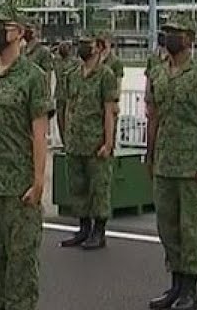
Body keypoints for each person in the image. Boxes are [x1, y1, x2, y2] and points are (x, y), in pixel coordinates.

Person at [0, 7, 52, 310]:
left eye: (0, 26)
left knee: (20, 266)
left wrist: (38, 181)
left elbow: (40, 133)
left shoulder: (33, 77)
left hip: (19, 189)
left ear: (19, 32)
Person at [145, 16, 197, 310]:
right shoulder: (158, 73)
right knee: (167, 227)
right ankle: (175, 285)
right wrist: (149, 154)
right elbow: (154, 117)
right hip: (165, 163)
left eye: (175, 33)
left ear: (189, 38)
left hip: (191, 165)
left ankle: (190, 289)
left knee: (191, 229)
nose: (170, 37)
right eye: (167, 32)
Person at [60, 33, 120, 251]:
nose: (83, 48)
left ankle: (99, 231)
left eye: (88, 44)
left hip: (96, 143)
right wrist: (67, 135)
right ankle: (83, 228)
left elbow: (109, 111)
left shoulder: (106, 75)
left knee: (99, 188)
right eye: (81, 44)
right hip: (76, 142)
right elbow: (69, 106)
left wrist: (108, 143)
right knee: (78, 187)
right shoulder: (72, 75)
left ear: (99, 48)